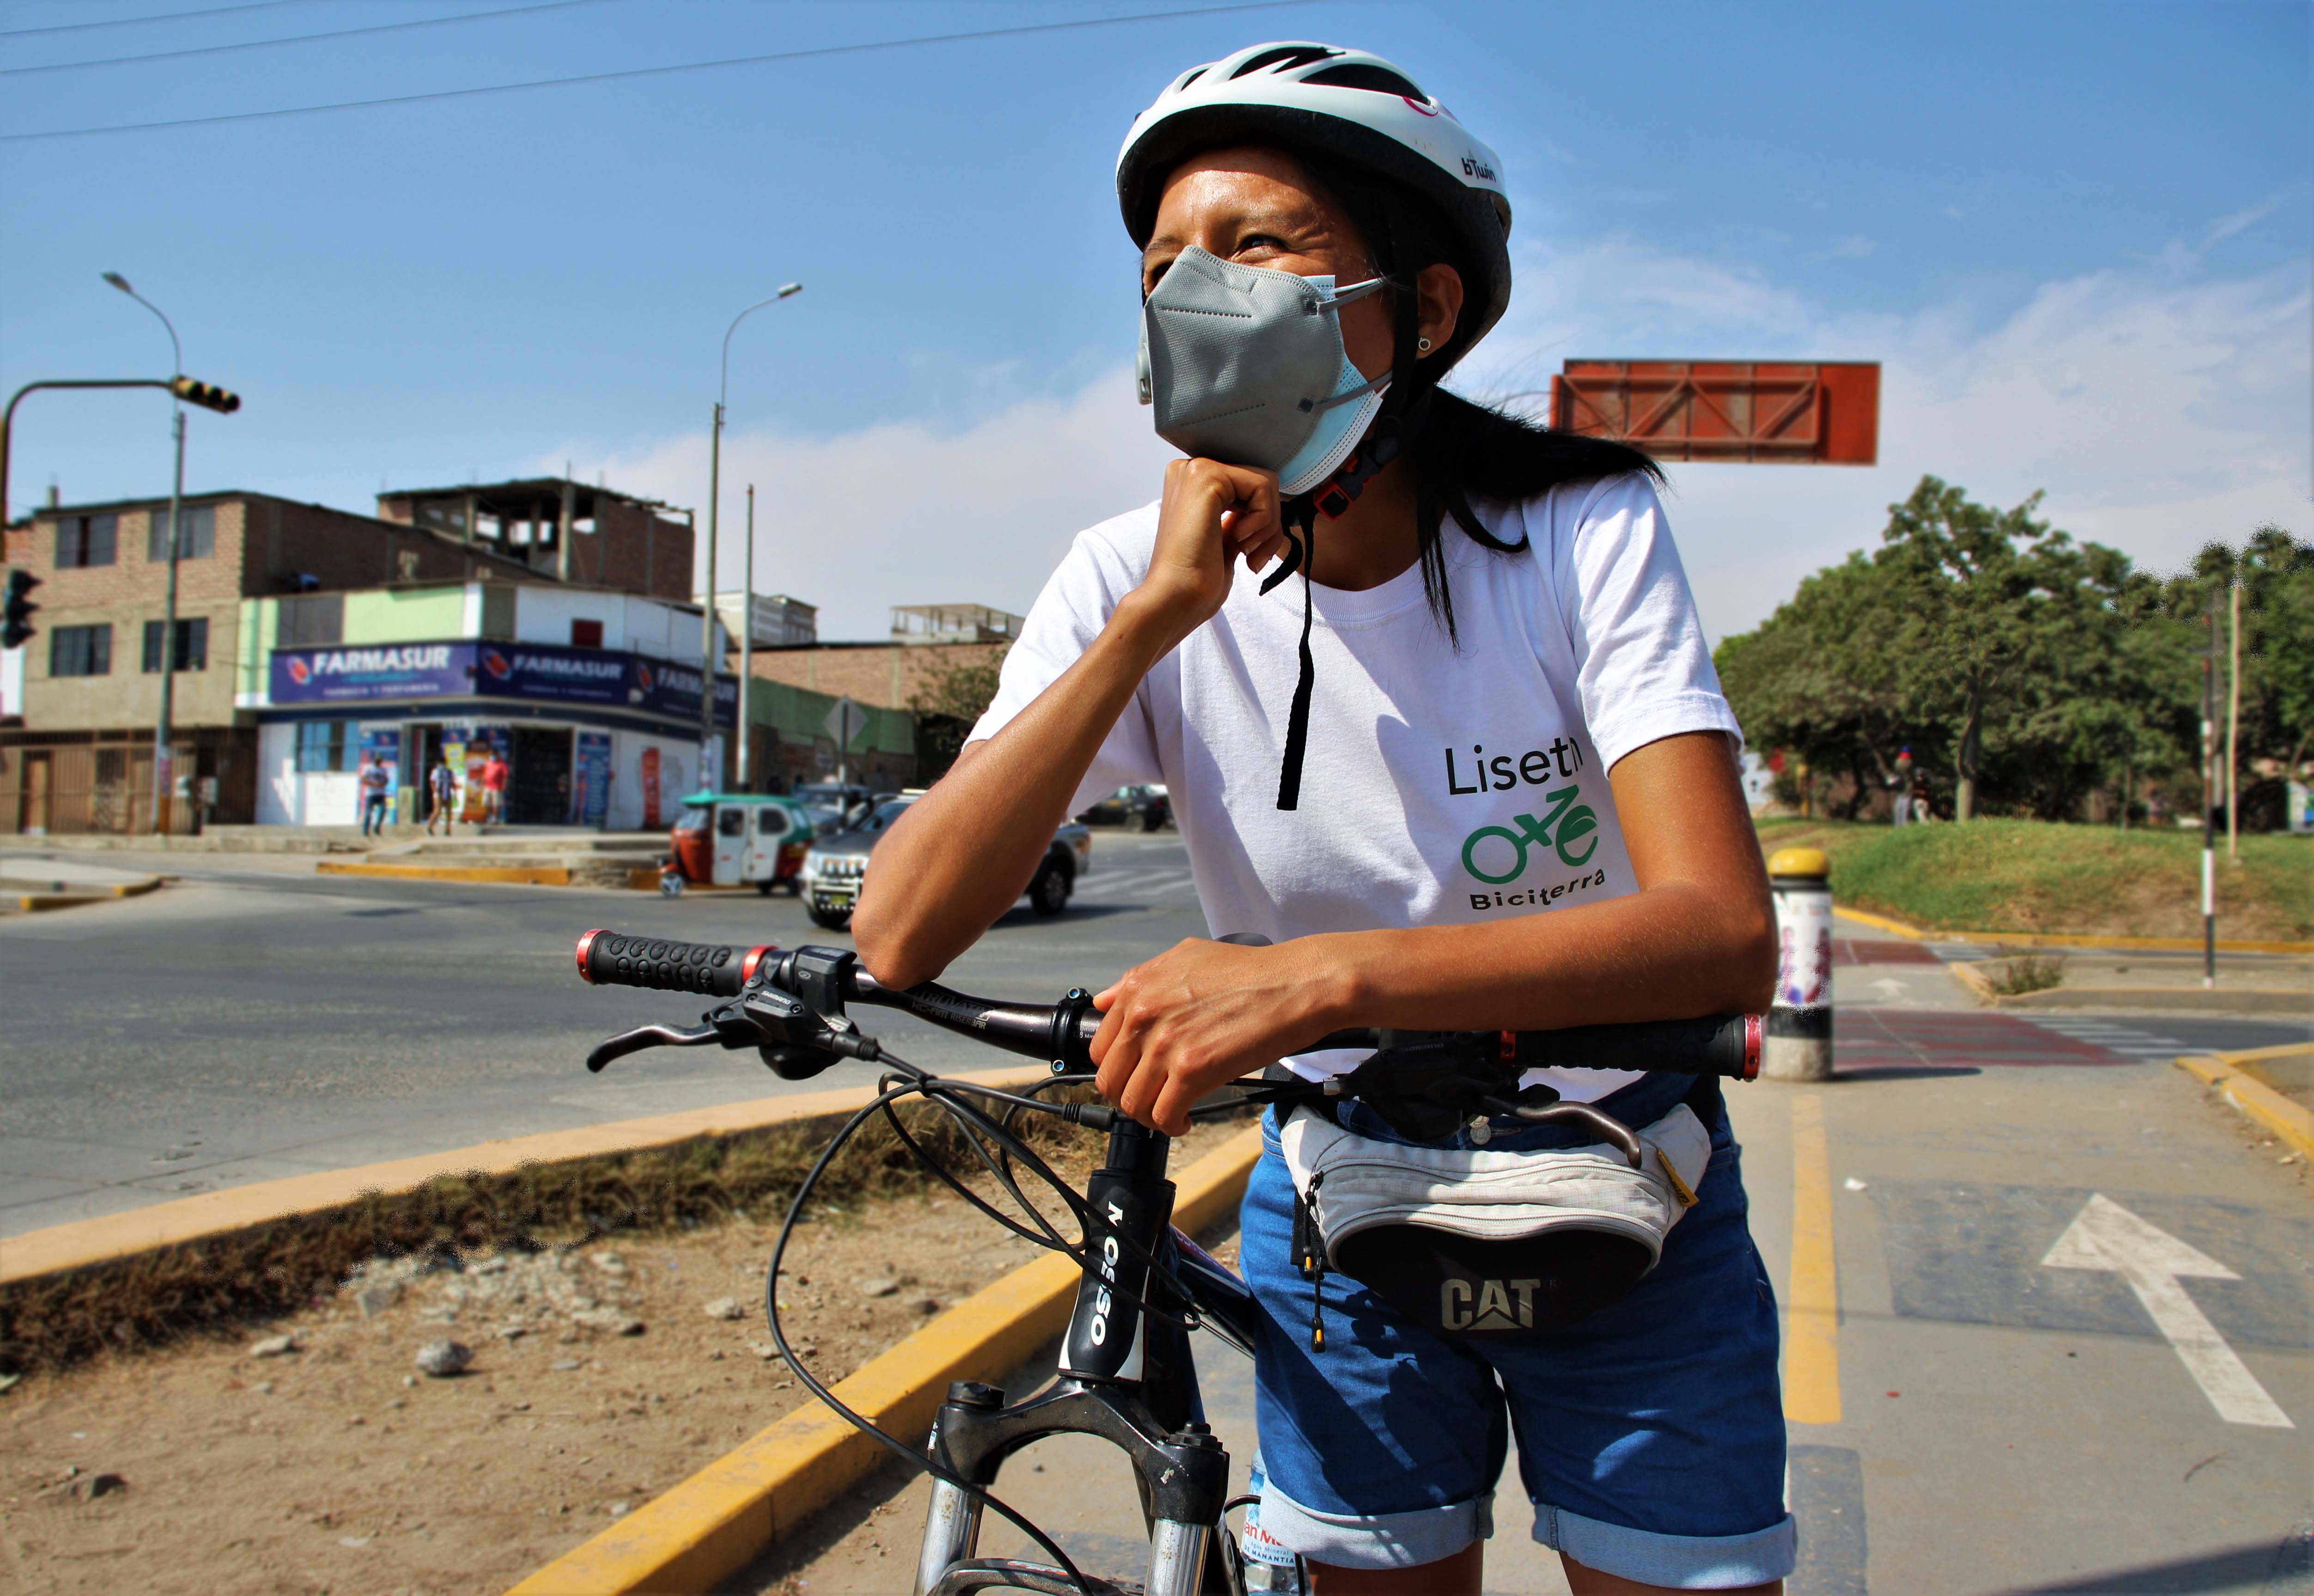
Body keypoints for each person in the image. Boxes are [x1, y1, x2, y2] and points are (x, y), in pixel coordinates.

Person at [853, 41, 1788, 1595]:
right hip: (1342, 1193)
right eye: (1164, 264)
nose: (1198, 289)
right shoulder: (1122, 577)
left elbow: (1719, 931)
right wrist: (1150, 623)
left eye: (1258, 244)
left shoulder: (1577, 527)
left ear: (1421, 309)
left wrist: (1314, 976)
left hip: (1623, 1165)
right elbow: (897, 928)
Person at [357, 753, 391, 838]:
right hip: (371, 794)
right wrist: (373, 783)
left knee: (383, 810)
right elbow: (363, 780)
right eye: (377, 760)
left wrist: (383, 784)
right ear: (374, 760)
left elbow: (386, 780)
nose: (379, 762)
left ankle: (377, 827)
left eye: (380, 760)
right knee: (369, 813)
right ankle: (366, 830)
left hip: (381, 794)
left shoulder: (383, 770)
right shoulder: (369, 768)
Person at [426, 753, 458, 836]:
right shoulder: (436, 772)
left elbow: (452, 783)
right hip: (439, 794)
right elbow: (432, 782)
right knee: (438, 811)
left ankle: (448, 830)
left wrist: (456, 794)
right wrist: (435, 791)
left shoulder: (449, 772)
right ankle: (430, 826)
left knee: (449, 812)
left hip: (447, 793)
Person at [482, 747, 510, 825]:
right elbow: (485, 773)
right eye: (491, 755)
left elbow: (505, 776)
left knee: (496, 804)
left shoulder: (502, 764)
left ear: (497, 755)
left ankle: (495, 818)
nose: (492, 756)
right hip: (488, 786)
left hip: (497, 787)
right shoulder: (488, 763)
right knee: (485, 802)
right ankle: (492, 816)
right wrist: (483, 781)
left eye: (493, 755)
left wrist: (504, 785)